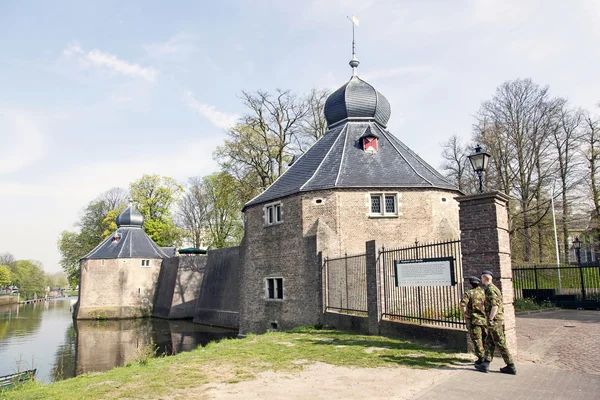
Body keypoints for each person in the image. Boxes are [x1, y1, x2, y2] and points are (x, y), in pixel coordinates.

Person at [475, 270, 516, 375]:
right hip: (495, 320)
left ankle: (510, 365)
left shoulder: (490, 289)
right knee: (490, 342)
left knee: (500, 342)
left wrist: (490, 318)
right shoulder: (493, 288)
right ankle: (486, 364)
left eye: (482, 278)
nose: (481, 280)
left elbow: (494, 305)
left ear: (485, 278)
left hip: (494, 321)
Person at [459, 276, 487, 365]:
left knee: (477, 339)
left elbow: (462, 305)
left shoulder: (469, 293)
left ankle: (481, 358)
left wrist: (465, 314)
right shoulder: (484, 292)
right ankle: (487, 356)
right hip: (485, 319)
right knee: (485, 338)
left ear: (471, 283)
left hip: (474, 320)